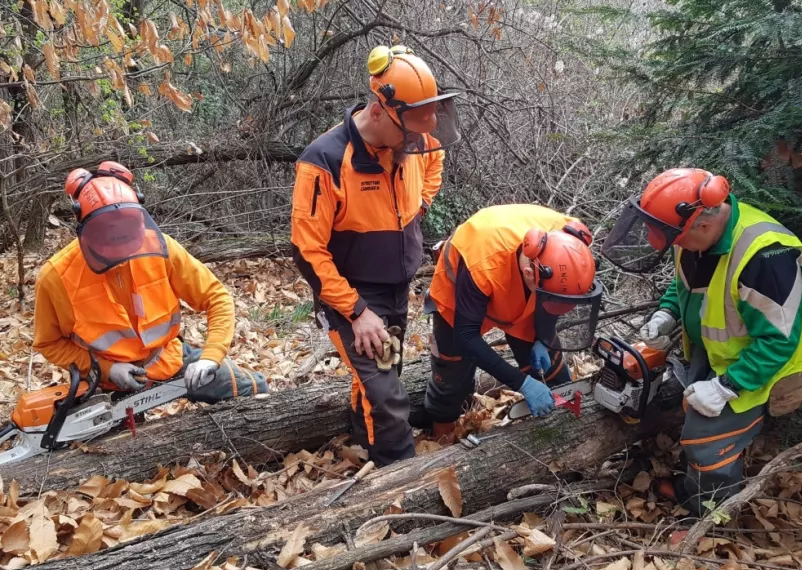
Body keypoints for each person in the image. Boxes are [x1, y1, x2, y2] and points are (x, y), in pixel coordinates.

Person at [601, 167, 802, 513]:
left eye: (677, 239)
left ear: (703, 225)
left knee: (705, 441)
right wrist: (667, 313)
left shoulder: (764, 256)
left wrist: (725, 387)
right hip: (718, 350)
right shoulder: (691, 235)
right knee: (688, 409)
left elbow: (779, 341)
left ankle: (712, 518)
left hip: (761, 366)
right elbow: (685, 282)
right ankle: (697, 488)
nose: (675, 246)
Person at [290, 45, 461, 466]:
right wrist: (356, 311)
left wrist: (417, 206)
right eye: (409, 134)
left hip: (398, 283)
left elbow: (434, 159)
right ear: (381, 112)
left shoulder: (415, 142)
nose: (417, 143)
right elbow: (306, 249)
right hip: (352, 292)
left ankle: (361, 437)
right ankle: (397, 477)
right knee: (386, 394)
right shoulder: (326, 160)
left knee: (386, 375)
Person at [34, 161, 268, 404]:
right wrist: (107, 369)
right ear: (81, 223)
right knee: (106, 440)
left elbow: (216, 297)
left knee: (252, 389)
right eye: (108, 232)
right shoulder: (57, 277)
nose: (119, 242)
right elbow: (49, 343)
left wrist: (211, 356)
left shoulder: (161, 248)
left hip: (167, 358)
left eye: (127, 227)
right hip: (109, 380)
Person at [424, 204, 603, 441]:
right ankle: (440, 440)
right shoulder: (484, 261)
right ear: (530, 272)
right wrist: (522, 383)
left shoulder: (569, 242)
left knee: (551, 364)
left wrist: (543, 337)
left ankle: (568, 433)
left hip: (528, 289)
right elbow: (466, 336)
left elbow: (558, 300)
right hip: (460, 291)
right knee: (452, 373)